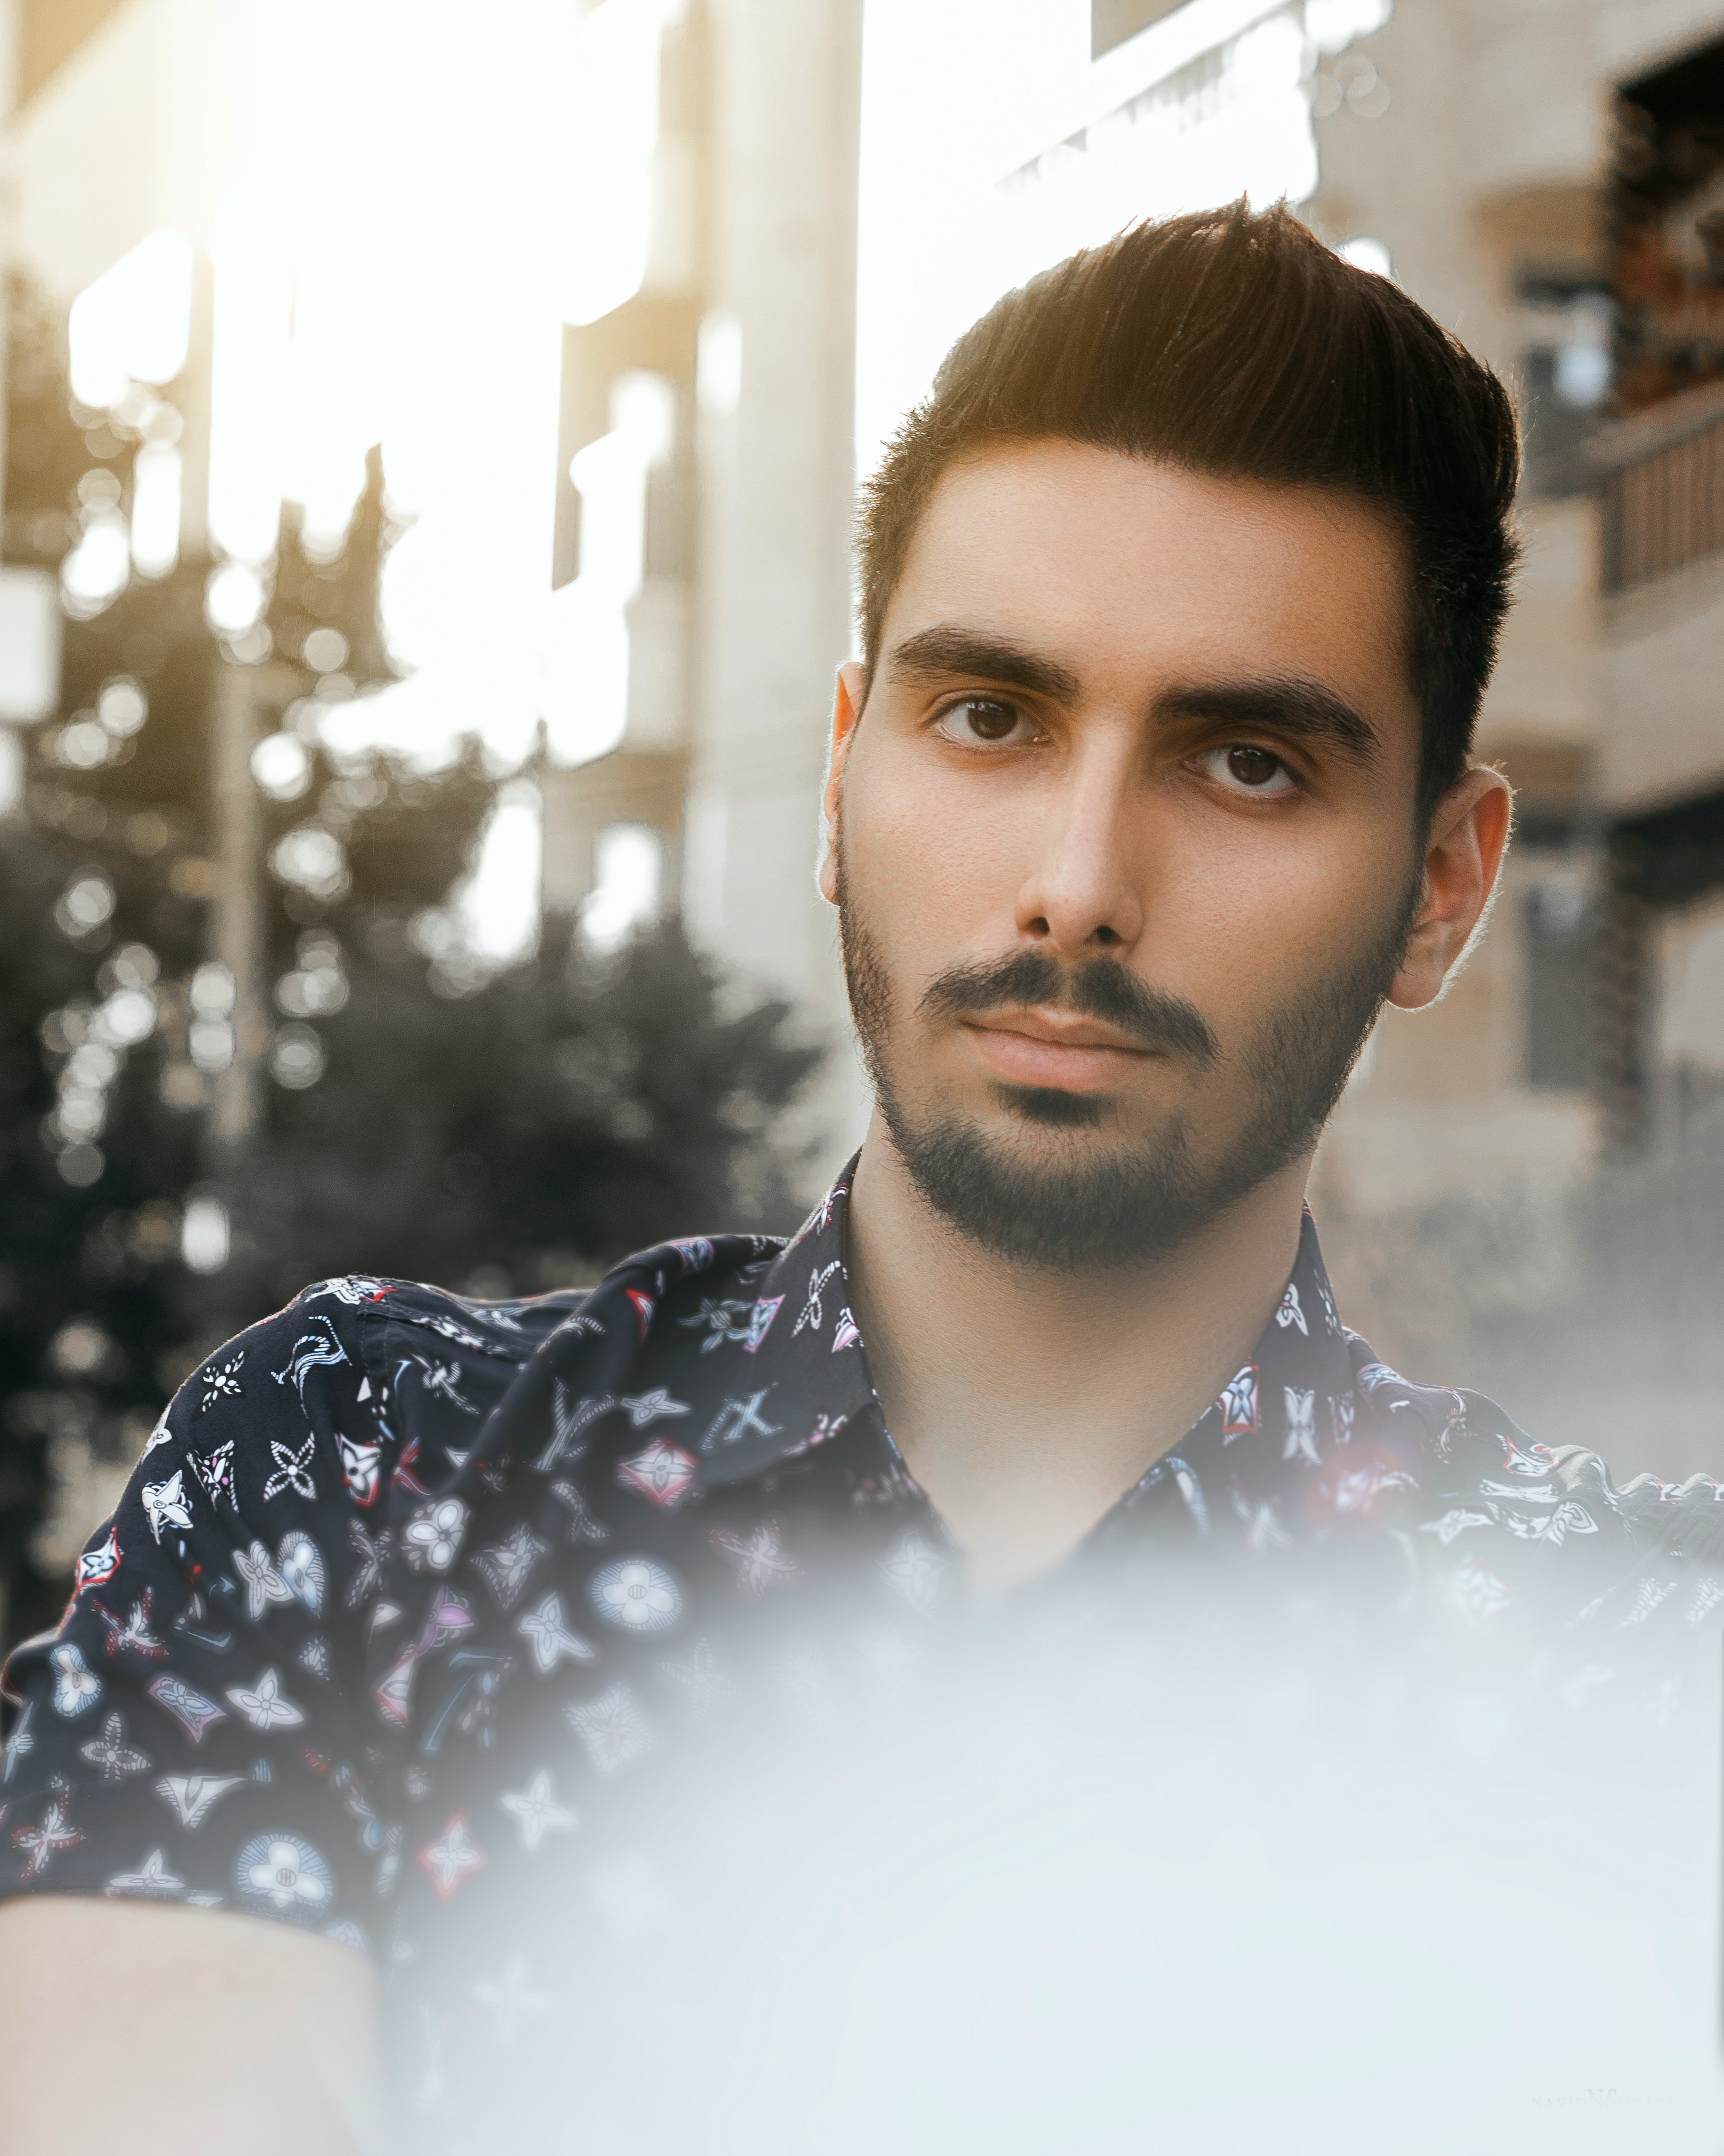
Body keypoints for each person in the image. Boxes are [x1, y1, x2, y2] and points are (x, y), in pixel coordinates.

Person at [2, 202, 1718, 2154]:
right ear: (838, 778)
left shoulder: (1637, 1675)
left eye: (1245, 762)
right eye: (988, 717)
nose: (1077, 878)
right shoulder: (358, 1483)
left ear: (1440, 886)